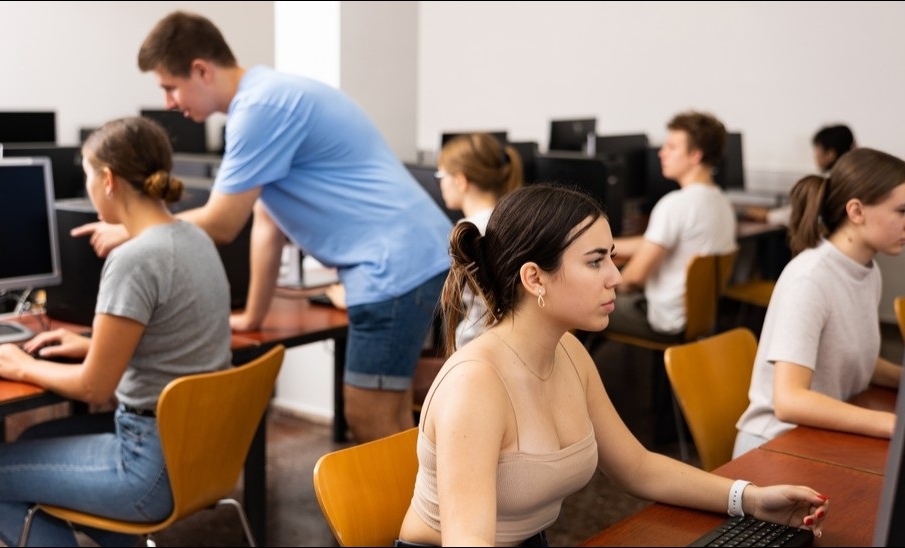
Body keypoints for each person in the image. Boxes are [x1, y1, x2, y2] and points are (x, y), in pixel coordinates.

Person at [73, 11, 453, 443]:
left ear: (200, 69)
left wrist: (134, 228)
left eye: (170, 87)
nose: (169, 104)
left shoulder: (259, 109)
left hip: (393, 268)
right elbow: (265, 226)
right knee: (393, 415)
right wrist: (253, 315)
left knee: (371, 416)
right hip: (412, 256)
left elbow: (221, 223)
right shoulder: (271, 96)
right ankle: (422, 510)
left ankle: (415, 513)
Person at [396, 184, 829, 546]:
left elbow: (637, 467)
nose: (616, 277)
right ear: (534, 278)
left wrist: (750, 498)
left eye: (610, 257)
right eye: (595, 261)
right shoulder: (476, 384)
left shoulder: (569, 351)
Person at [0, 117, 233, 547]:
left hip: (146, 469)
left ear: (108, 179)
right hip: (199, 454)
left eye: (87, 175)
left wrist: (19, 364)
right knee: (35, 438)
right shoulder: (194, 238)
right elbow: (173, 338)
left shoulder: (134, 258)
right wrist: (92, 343)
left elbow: (94, 387)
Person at [733, 147, 905, 458]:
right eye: (903, 210)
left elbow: (853, 359)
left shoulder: (867, 270)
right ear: (856, 211)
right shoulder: (811, 278)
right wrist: (892, 423)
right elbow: (789, 400)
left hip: (817, 435)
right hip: (774, 448)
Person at [606, 111, 737, 341]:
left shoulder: (675, 205)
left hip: (663, 319)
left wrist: (600, 292)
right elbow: (654, 243)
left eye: (671, 147)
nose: (661, 153)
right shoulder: (722, 202)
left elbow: (634, 278)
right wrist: (606, 246)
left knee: (573, 308)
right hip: (697, 318)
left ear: (695, 155)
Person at [436, 132, 523, 349]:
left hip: (476, 343)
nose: (440, 183)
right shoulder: (515, 218)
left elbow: (450, 297)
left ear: (460, 180)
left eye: (441, 175)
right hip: (512, 341)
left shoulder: (466, 231)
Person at [743, 124, 856, 225]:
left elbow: (804, 213)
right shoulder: (852, 178)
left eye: (817, 149)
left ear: (830, 154)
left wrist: (768, 216)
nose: (815, 154)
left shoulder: (829, 183)